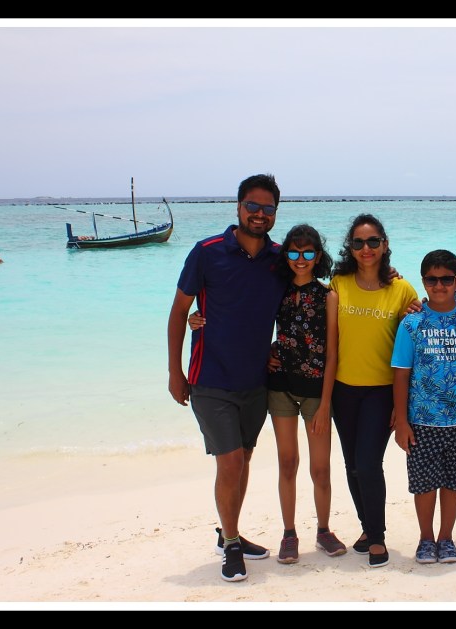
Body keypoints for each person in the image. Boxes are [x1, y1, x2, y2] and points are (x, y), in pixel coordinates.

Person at [190, 224, 348, 565]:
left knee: (320, 468)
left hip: (316, 393)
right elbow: (246, 320)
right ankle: (289, 533)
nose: (301, 259)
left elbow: (333, 353)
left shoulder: (329, 296)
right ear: (285, 255)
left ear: (318, 256)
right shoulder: (277, 289)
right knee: (287, 463)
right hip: (279, 388)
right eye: (294, 252)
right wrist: (198, 318)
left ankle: (323, 529)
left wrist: (326, 404)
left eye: (308, 253)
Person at [167, 173, 284, 582]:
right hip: (210, 378)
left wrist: (387, 276)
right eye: (252, 206)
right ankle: (231, 544)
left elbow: (314, 287)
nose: (259, 214)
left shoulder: (280, 259)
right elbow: (179, 312)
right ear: (238, 206)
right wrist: (175, 371)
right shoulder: (207, 252)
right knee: (230, 461)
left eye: (268, 208)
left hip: (256, 380)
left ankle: (229, 532)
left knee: (244, 459)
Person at [391, 249, 456, 565]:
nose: (439, 286)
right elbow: (401, 374)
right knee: (424, 485)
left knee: (453, 482)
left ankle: (446, 538)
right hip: (422, 422)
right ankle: (426, 538)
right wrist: (401, 422)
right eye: (432, 280)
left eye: (446, 279)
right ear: (423, 282)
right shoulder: (412, 324)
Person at [329, 213, 419, 568]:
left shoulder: (403, 290)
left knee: (368, 463)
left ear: (384, 245)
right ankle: (367, 529)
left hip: (381, 392)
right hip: (343, 390)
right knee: (352, 465)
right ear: (350, 248)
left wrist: (403, 403)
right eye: (358, 242)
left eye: (372, 241)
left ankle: (377, 537)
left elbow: (412, 351)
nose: (365, 248)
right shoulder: (338, 283)